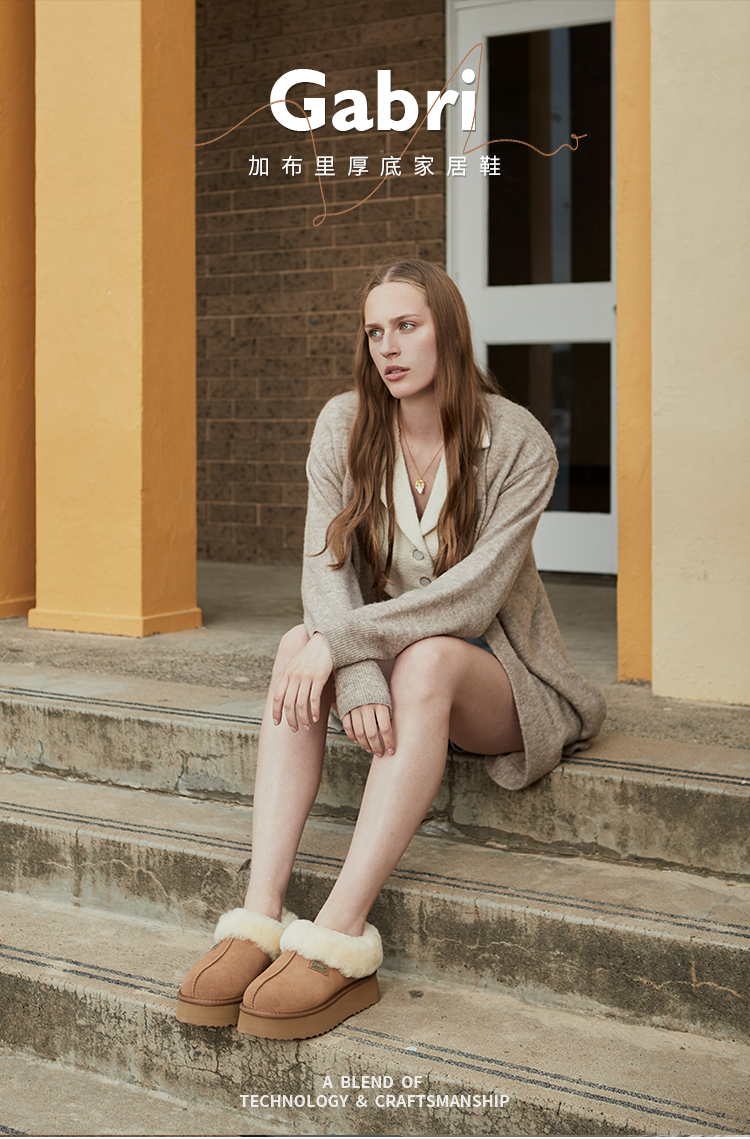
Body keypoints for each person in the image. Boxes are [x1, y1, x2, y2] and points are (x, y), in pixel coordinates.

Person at [175, 259, 606, 1040]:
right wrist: (355, 670)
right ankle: (259, 917)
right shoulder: (343, 424)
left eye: (406, 325)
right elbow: (324, 568)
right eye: (375, 331)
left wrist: (344, 645)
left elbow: (471, 596)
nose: (388, 347)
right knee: (294, 641)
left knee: (428, 656)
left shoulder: (518, 441)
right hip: (388, 666)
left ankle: (340, 938)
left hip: (495, 681)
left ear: (449, 331)